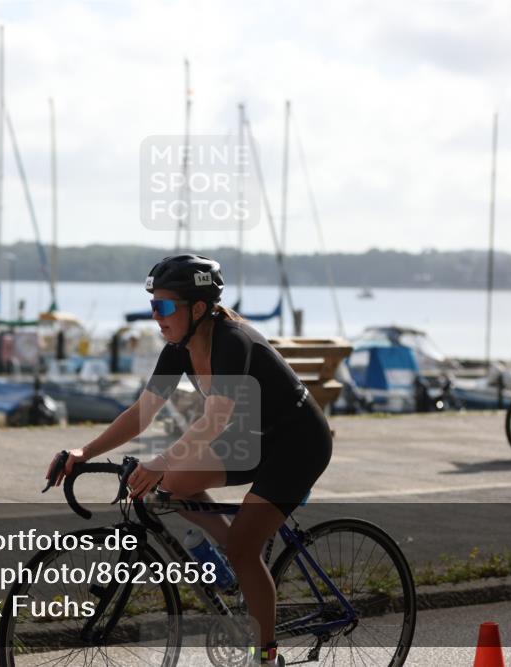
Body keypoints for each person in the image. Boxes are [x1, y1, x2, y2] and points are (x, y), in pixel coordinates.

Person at [46, 254, 332, 666]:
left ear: (198, 309)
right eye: (152, 307)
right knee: (171, 486)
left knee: (244, 546)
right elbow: (142, 413)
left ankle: (266, 656)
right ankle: (228, 560)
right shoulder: (179, 348)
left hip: (297, 445)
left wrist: (160, 460)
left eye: (164, 307)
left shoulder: (233, 343)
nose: (156, 317)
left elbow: (215, 418)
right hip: (252, 438)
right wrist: (84, 452)